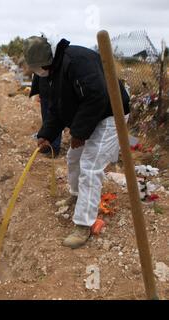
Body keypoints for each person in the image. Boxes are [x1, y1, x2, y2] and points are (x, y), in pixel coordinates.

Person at [23, 36, 130, 249]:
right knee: (73, 158)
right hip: (90, 114)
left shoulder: (78, 62)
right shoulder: (50, 73)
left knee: (90, 166)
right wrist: (46, 133)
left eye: (40, 67)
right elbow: (56, 108)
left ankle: (83, 225)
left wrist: (79, 133)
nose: (39, 71)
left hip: (110, 114)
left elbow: (96, 97)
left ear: (49, 59)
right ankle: (76, 195)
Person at [30, 74, 62, 156]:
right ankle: (47, 144)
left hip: (55, 91)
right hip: (44, 91)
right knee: (46, 119)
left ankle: (54, 148)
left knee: (55, 118)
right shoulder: (41, 65)